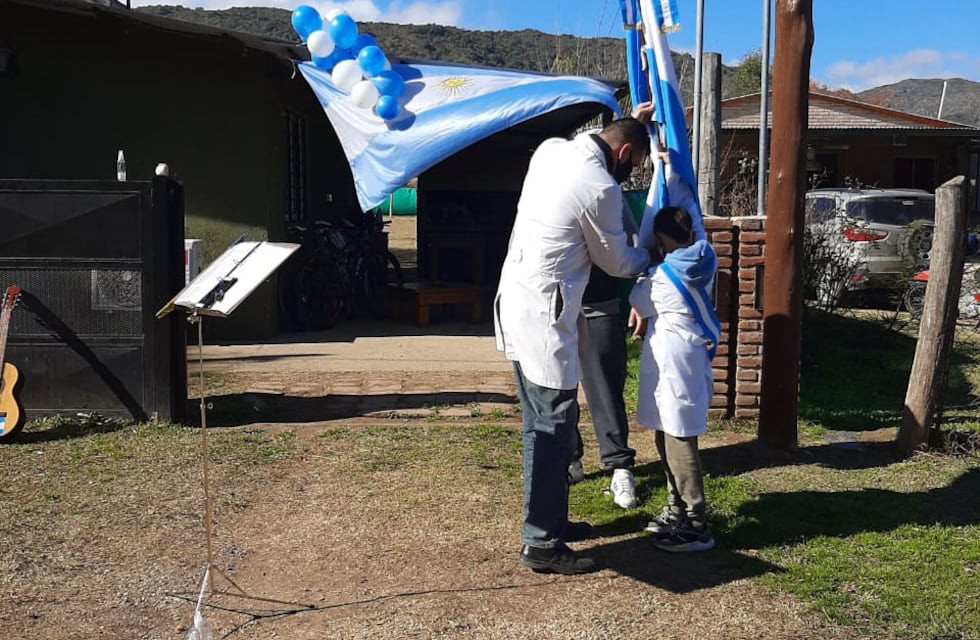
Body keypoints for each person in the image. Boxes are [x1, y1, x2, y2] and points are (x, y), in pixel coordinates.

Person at [494, 113, 656, 575]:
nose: (631, 174)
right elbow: (618, 261)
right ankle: (542, 543)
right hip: (546, 314)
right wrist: (654, 252)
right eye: (635, 164)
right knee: (553, 426)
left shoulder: (550, 151)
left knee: (539, 422)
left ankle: (548, 521)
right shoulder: (599, 186)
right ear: (624, 155)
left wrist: (633, 123)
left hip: (519, 301)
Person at [628, 206, 719, 553]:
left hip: (673, 360)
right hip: (688, 357)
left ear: (662, 239)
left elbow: (639, 300)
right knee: (668, 430)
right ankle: (678, 509)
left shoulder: (664, 277)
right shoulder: (705, 259)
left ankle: (696, 524)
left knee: (678, 437)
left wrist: (647, 269)